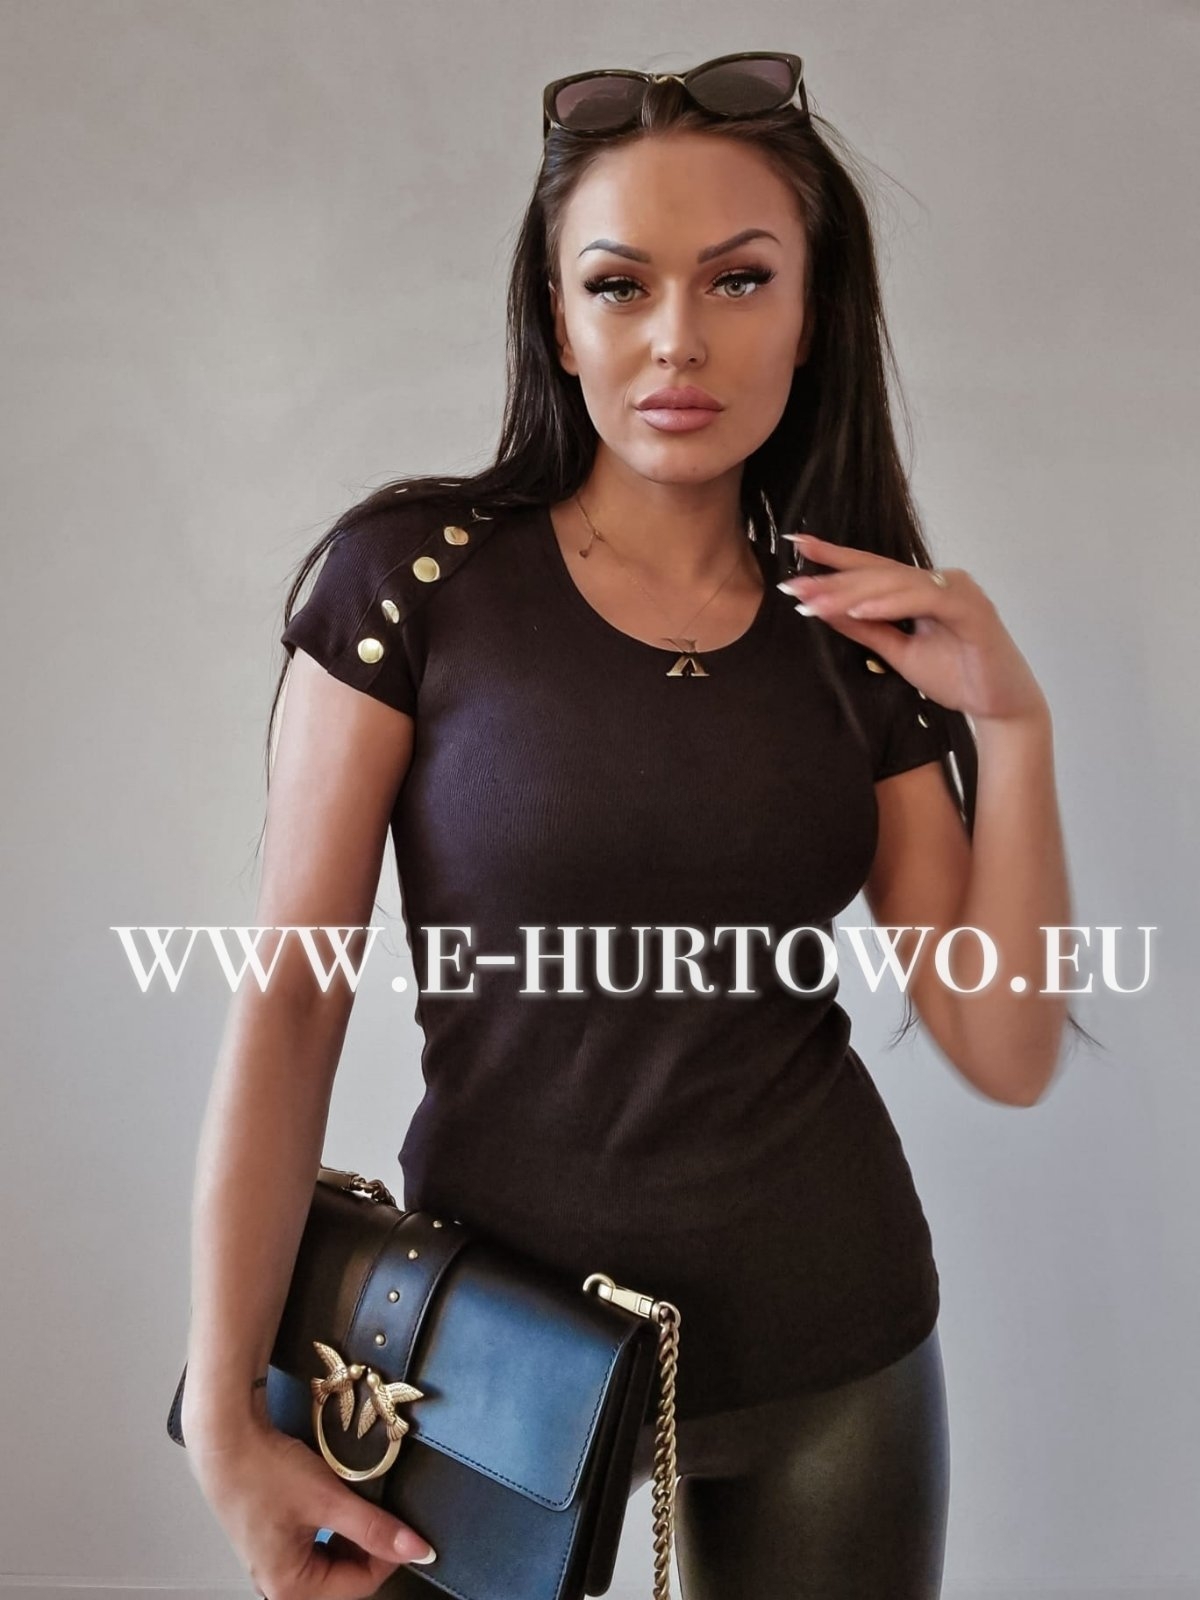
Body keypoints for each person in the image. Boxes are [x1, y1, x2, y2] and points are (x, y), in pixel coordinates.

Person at [180, 53, 1079, 1600]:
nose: (679, 338)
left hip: (831, 1349)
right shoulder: (415, 584)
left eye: (739, 280)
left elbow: (1007, 1049)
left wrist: (1014, 726)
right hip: (480, 1361)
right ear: (557, 316)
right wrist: (222, 1415)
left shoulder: (859, 642)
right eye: (620, 285)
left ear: (812, 311)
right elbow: (291, 1001)